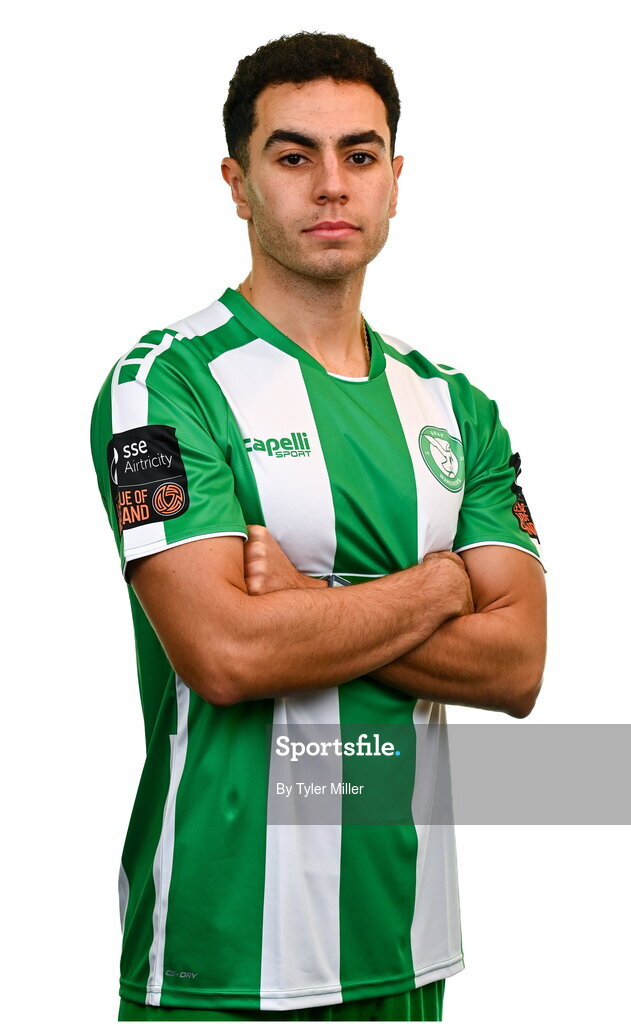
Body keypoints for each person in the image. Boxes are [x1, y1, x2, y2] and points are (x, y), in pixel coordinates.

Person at [90, 31, 546, 1023]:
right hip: (221, 954)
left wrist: (311, 607)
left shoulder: (455, 406)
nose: (330, 185)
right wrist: (435, 586)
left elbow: (515, 667)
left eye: (360, 154)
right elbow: (224, 651)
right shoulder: (164, 385)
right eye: (293, 156)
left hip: (404, 944)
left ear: (393, 177)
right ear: (238, 181)